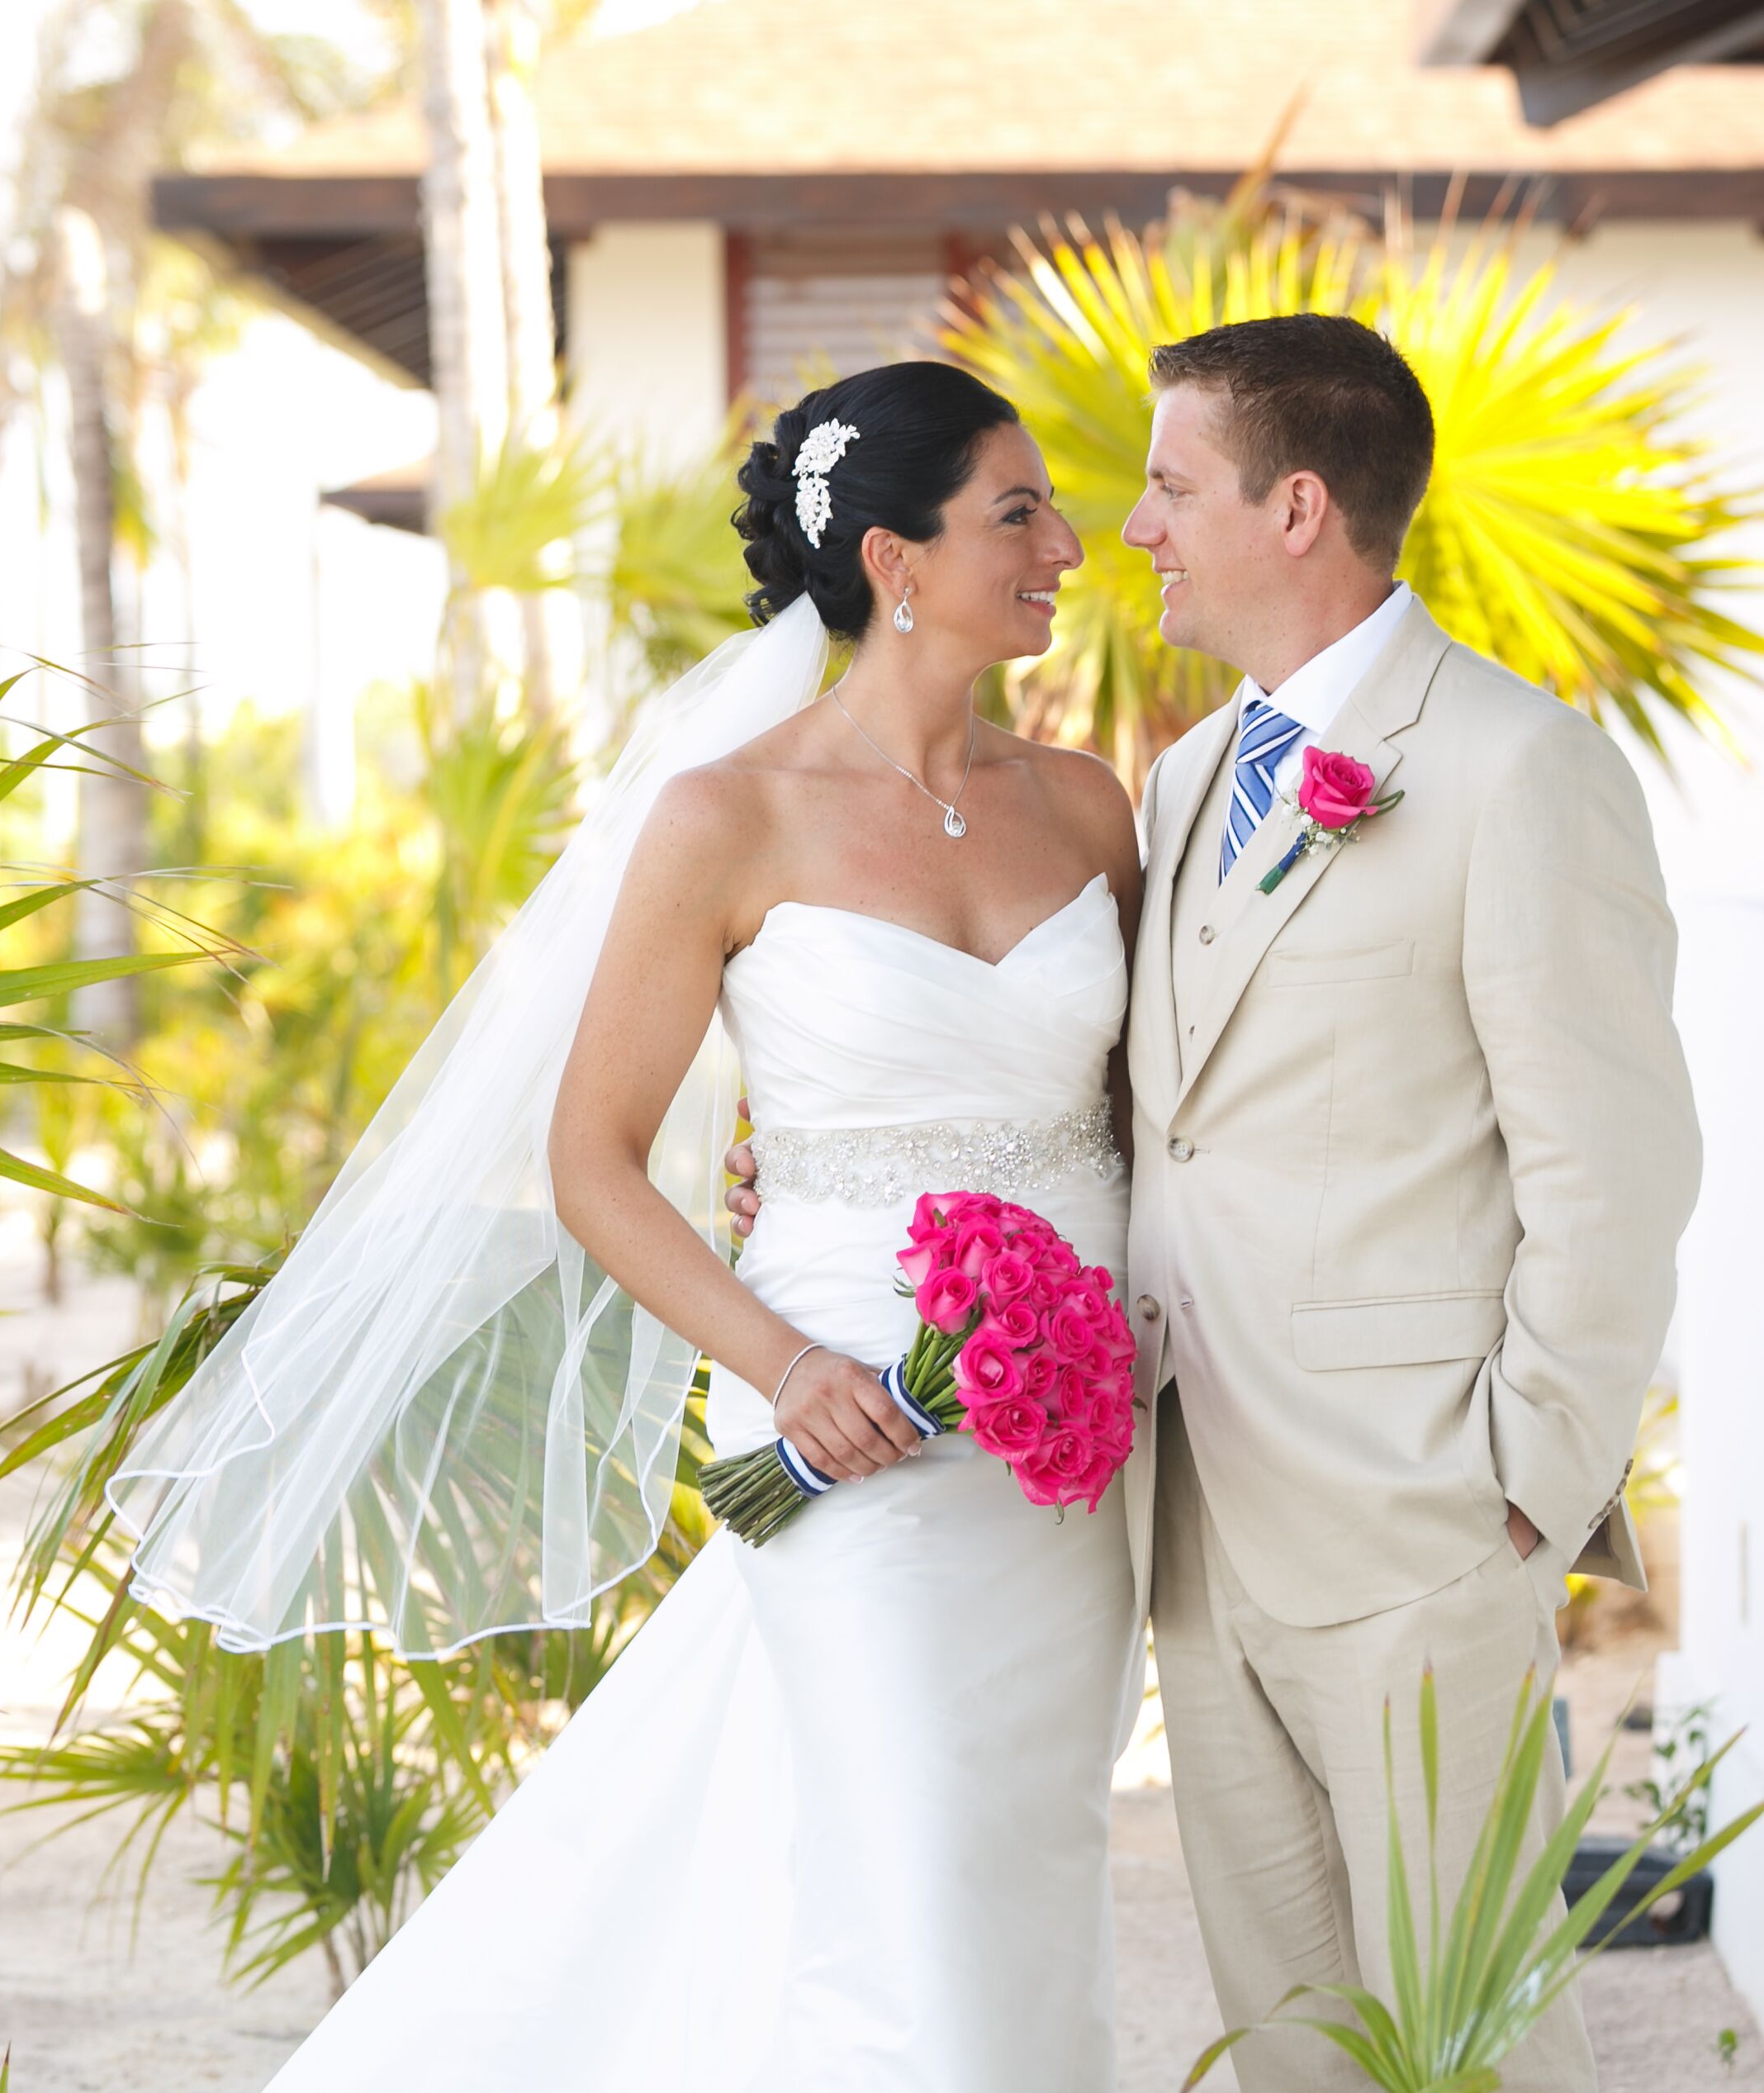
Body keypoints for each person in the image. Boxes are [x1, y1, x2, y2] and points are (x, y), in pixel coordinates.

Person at [110, 359, 1155, 2089]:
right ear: (893, 560)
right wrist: (787, 1359)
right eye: (1017, 512)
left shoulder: (1087, 806)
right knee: (907, 1893)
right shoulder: (724, 818)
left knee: (1024, 1884)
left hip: (1063, 1448)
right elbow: (590, 1154)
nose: (1066, 543)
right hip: (848, 1427)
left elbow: (1133, 1118)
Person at [728, 315, 1698, 2093]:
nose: (1133, 527)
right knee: (1298, 2049)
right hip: (1189, 1526)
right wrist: (831, 1148)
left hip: (1418, 1523)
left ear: (1298, 507)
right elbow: (1134, 1110)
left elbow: (1615, 1165)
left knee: (1482, 2039)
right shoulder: (1178, 784)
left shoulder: (1514, 769)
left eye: (1172, 485)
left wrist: (1519, 1491)